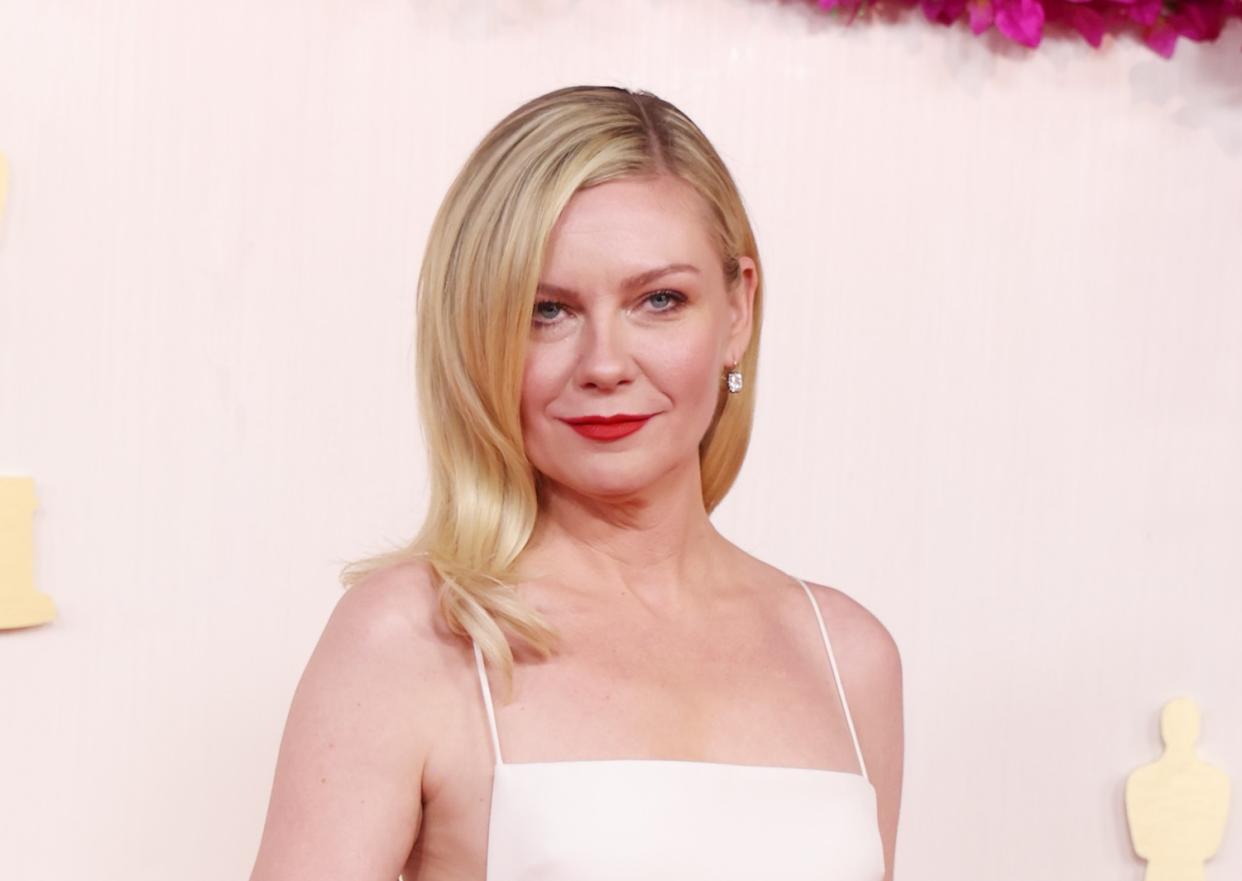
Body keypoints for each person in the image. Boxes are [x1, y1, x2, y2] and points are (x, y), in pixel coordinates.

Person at [247, 84, 904, 881]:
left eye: (659, 300)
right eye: (546, 310)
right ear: (479, 330)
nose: (603, 364)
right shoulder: (414, 638)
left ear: (737, 310)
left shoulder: (847, 656)